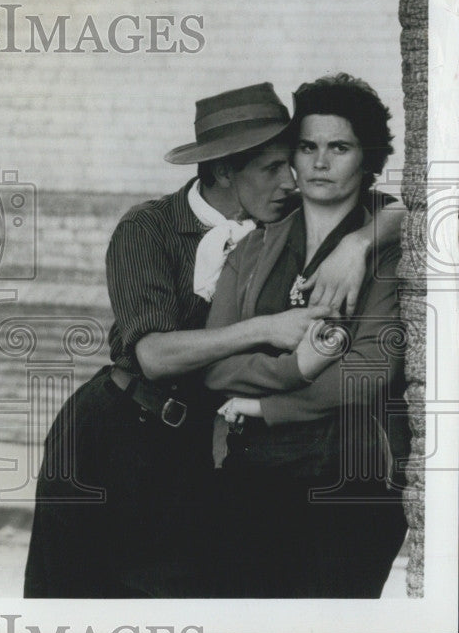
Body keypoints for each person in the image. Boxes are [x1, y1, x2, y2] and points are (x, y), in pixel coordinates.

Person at [23, 82, 404, 598]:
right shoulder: (150, 228)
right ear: (225, 170)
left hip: (201, 447)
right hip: (118, 432)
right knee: (71, 596)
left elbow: (403, 209)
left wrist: (359, 243)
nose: (294, 179)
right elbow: (154, 355)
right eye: (274, 168)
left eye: (289, 163)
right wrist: (269, 333)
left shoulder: (282, 227)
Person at [205, 73, 409, 597]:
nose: (320, 162)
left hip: (349, 484)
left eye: (339, 147)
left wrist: (264, 406)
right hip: (251, 476)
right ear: (292, 157)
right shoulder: (253, 249)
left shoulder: (389, 248)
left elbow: (368, 372)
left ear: (368, 158)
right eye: (308, 146)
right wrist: (295, 368)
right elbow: (217, 363)